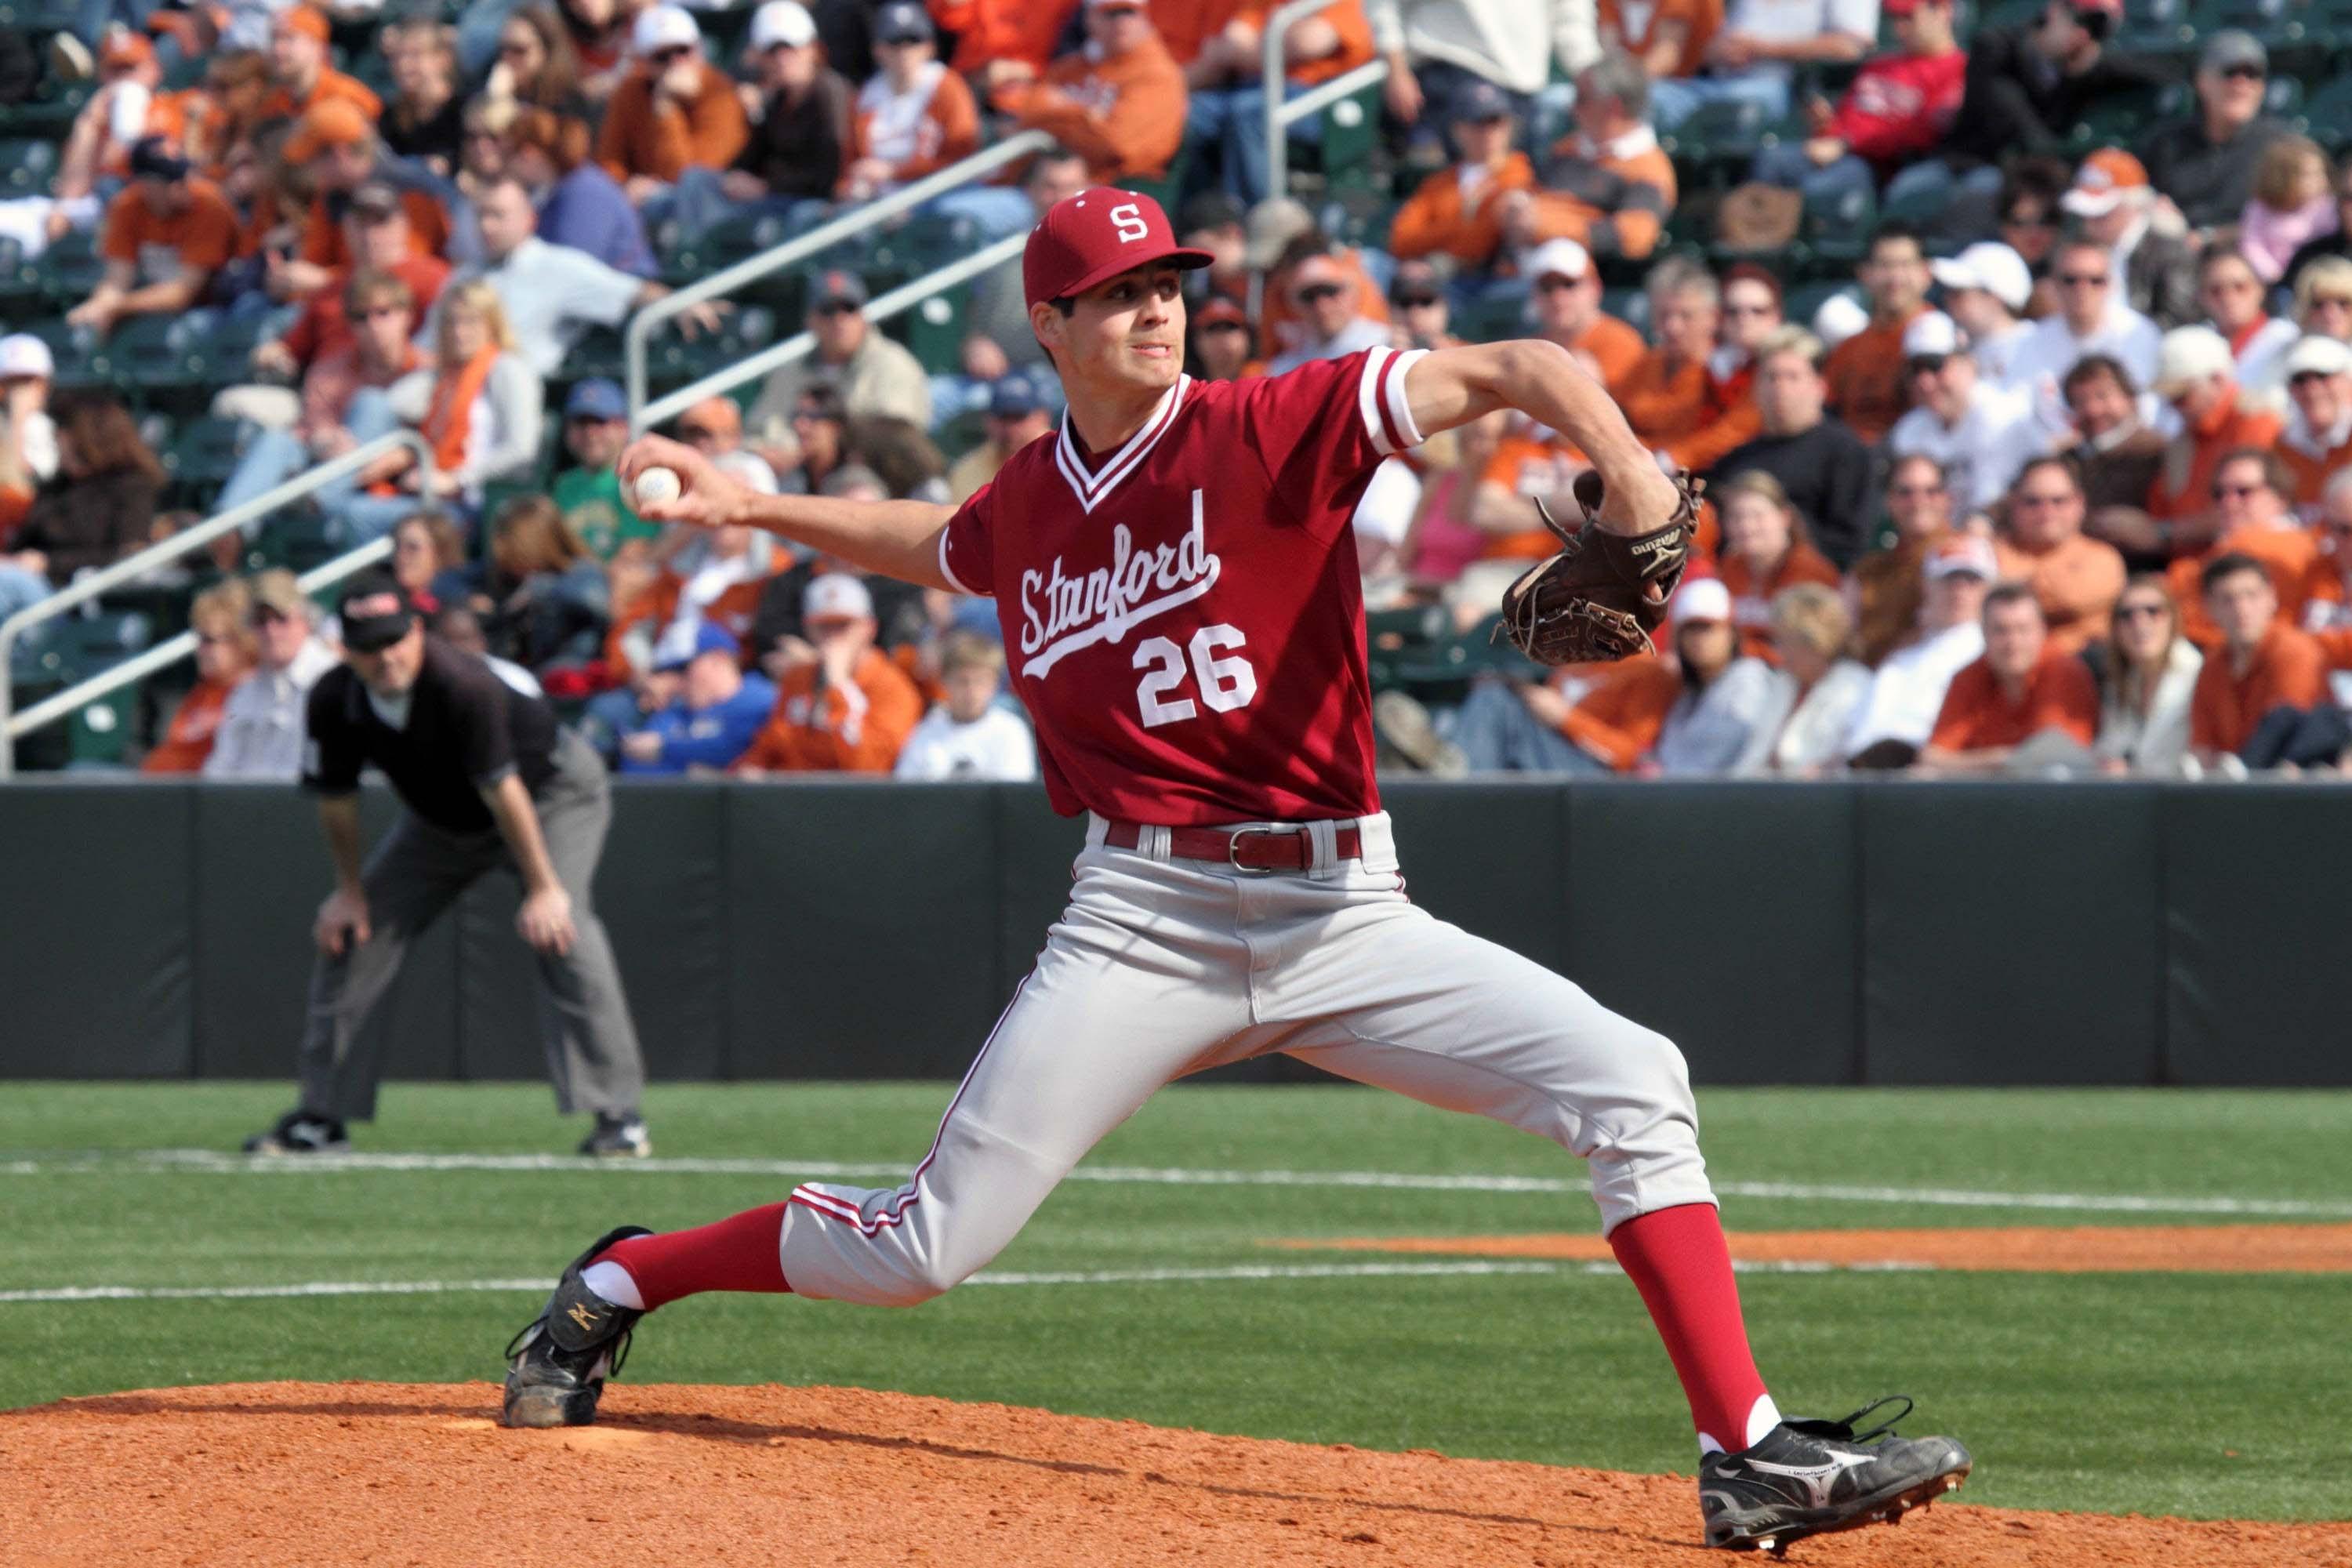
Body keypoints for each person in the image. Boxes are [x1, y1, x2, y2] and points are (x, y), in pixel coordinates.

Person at [504, 184, 1974, 1560]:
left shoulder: (1282, 420)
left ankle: (1749, 1452)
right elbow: (938, 544)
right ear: (1051, 328)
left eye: (1169, 285)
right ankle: (630, 1272)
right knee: (923, 1251)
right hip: (1144, 920)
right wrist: (748, 505)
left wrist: (1641, 482)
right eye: (1119, 291)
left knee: (1634, 1079)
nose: (1158, 310)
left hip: (1347, 910)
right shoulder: (1032, 502)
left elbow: (1523, 360)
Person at [245, 568, 652, 1159]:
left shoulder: (463, 684)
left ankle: (621, 1118)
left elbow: (505, 790)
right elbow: (337, 801)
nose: (385, 658)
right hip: (444, 820)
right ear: (344, 650)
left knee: (564, 929)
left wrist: (543, 888)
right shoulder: (334, 698)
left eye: (394, 639)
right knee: (353, 935)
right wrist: (349, 891)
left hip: (549, 795)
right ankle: (321, 1118)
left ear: (418, 631)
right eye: (368, 646)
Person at [332, 279, 545, 536]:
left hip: (470, 501)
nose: (459, 332)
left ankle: (326, 496)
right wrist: (394, 451)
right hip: (424, 489)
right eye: (451, 322)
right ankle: (330, 492)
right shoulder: (443, 375)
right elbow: (389, 403)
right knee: (370, 401)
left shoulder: (507, 369)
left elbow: (521, 449)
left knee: (354, 514)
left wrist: (456, 479)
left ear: (492, 323)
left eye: (471, 322)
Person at [213, 269, 430, 522]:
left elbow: (434, 439)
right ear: (350, 324)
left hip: (386, 484)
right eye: (361, 317)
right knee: (277, 441)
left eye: (383, 313)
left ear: (407, 316)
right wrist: (330, 442)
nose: (373, 325)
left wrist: (392, 458)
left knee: (373, 403)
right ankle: (227, 529)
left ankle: (314, 505)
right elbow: (315, 429)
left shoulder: (429, 370)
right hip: (328, 467)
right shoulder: (329, 371)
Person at [436, 176, 703, 378]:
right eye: (481, 215)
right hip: (454, 388)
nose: (487, 226)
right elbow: (428, 344)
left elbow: (632, 291)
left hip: (516, 393)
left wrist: (682, 305)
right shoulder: (463, 277)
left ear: (529, 218)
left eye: (498, 215)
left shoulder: (556, 266)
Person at [1748, 0, 1963, 216]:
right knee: (1771, 160)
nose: (1900, 27)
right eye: (1895, 18)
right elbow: (1842, 124)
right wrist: (1825, 125)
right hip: (1838, 153)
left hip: (1879, 166)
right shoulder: (1879, 66)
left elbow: (1923, 133)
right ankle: (1757, 242)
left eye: (1908, 17)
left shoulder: (1958, 69)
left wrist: (1846, 145)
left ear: (1943, 11)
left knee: (1823, 188)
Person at [1711, 329, 1872, 572]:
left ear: (1819, 387)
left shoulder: (1845, 453)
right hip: (1739, 583)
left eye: (1792, 377)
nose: (1780, 388)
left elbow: (1852, 543)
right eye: (1771, 377)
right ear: (1756, 388)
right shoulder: (1738, 460)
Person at [735, 572, 924, 774]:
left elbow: (869, 769)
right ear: (808, 629)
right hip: (794, 794)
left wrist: (839, 687)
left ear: (869, 628)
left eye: (843, 626)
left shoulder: (893, 687)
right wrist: (748, 770)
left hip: (852, 801)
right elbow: (772, 744)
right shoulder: (799, 678)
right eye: (824, 627)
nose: (833, 637)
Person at [1945, 0, 2154, 178]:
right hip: (1970, 166)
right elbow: (2025, 134)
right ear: (2055, 11)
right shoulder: (1997, 48)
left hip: (2033, 175)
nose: (2084, 34)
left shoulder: (2084, 68)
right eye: (2081, 21)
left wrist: (2092, 65)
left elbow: (2169, 75)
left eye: (2096, 29)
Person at [993, 0, 1185, 186]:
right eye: (1111, 13)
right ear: (1090, 17)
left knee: (972, 214)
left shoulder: (1156, 75)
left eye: (1130, 12)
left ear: (1145, 17)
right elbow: (1028, 114)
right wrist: (1087, 116)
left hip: (1110, 193)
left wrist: (1057, 116)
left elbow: (1116, 146)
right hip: (1035, 184)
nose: (1121, 22)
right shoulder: (1072, 67)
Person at [1843, 533, 1994, 766]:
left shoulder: (1990, 650)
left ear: (1989, 588)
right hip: (1864, 771)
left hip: (1928, 773)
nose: (1959, 589)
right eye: (1949, 579)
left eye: (1972, 580)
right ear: (1927, 585)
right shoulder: (1903, 657)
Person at [1916, 583, 2098, 773]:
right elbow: (1931, 758)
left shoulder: (2062, 670)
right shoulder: (1970, 675)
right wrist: (2001, 759)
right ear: (1983, 633)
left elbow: (2048, 760)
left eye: (2023, 629)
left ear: (2042, 631)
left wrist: (1977, 762)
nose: (2013, 642)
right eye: (2001, 630)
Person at [64, 138, 238, 336]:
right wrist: (97, 309)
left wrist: (114, 307)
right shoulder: (127, 207)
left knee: (187, 329)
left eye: (182, 177)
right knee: (90, 329)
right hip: (152, 301)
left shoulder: (209, 205)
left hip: (214, 306)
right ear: (144, 184)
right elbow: (117, 280)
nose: (181, 187)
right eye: (170, 181)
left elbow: (181, 295)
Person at [2, 396, 162, 605]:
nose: (56, 437)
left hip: (78, 596)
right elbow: (24, 542)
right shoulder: (55, 487)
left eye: (63, 429)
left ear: (85, 436)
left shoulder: (131, 486)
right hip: (30, 583)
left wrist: (49, 563)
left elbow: (128, 554)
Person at [1885, 311, 2048, 517]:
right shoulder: (1909, 431)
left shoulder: (2003, 417)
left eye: (1935, 366)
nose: (1925, 382)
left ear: (1968, 364)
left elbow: (1999, 503)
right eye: (1915, 370)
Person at [748, 269, 931, 444]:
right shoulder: (789, 370)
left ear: (863, 317)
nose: (839, 320)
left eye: (849, 309)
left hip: (876, 471)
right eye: (828, 310)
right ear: (809, 320)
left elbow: (896, 439)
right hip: (798, 471)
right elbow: (756, 432)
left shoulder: (893, 364)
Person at [1612, 258, 1759, 473]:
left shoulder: (1730, 372)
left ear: (1713, 318)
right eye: (1664, 315)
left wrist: (1672, 459)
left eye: (1686, 315)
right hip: (1636, 469)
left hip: (1699, 483)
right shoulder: (1644, 365)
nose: (1673, 326)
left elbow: (1734, 432)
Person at [2137, 31, 2291, 234]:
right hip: (2173, 253)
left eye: (2252, 74)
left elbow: (2293, 221)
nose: (2241, 84)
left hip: (2249, 255)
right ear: (2201, 80)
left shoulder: (2282, 147)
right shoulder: (2165, 143)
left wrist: (2210, 238)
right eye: (2230, 72)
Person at [2187, 550, 2328, 766]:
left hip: (2294, 783)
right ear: (2209, 607)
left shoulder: (2295, 651)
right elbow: (2203, 749)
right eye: (2227, 599)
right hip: (2236, 787)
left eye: (2252, 595)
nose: (2242, 609)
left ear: (2272, 598)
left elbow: (2287, 734)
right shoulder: (2212, 666)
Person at [596, 5, 750, 203]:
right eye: (662, 57)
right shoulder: (630, 91)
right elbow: (610, 159)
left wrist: (666, 106)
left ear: (699, 49)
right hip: (645, 200)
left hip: (709, 202)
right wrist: (625, 186)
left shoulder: (720, 94)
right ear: (645, 62)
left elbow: (689, 178)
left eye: (683, 51)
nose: (676, 62)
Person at [2140, 326, 2283, 539]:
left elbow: (2245, 513)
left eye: (2182, 396)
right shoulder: (2183, 439)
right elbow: (2164, 504)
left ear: (2218, 380)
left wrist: (2161, 533)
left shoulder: (2255, 422)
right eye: (2169, 398)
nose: (2175, 406)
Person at [1646, 0, 1875, 131]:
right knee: (1651, 97)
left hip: (1785, 90)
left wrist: (1762, 49)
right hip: (1712, 84)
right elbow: (1704, 47)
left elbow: (1851, 47)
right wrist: (1716, 51)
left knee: (1746, 108)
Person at [837, 2, 978, 204]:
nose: (904, 51)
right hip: (876, 199)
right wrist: (847, 189)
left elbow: (961, 160)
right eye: (895, 43)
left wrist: (894, 172)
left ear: (929, 47)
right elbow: (850, 165)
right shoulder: (865, 98)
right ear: (878, 50)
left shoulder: (946, 86)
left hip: (934, 195)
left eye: (913, 41)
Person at [205, 570, 339, 780]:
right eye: (261, 621)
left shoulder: (333, 681)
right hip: (247, 805)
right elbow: (219, 771)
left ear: (305, 619)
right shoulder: (244, 692)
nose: (271, 630)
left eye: (281, 618)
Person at [725, 1, 854, 212]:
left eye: (790, 48)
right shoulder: (777, 99)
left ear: (812, 49)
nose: (782, 59)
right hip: (780, 198)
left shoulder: (831, 92)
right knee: (701, 181)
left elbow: (828, 173)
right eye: (772, 51)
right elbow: (752, 158)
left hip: (817, 205)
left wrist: (767, 187)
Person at [1994, 457, 2126, 658]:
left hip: (2082, 668)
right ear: (2013, 503)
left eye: (2059, 501)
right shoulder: (1993, 551)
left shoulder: (2103, 557)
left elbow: (2070, 599)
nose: (2047, 512)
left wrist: (2013, 586)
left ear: (2079, 503)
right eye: (2033, 502)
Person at [1737, 583, 1871, 775]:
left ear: (1815, 641)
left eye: (1785, 641)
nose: (1779, 651)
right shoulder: (1783, 684)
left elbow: (1836, 763)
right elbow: (1752, 760)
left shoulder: (1855, 686)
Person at [1652, 576, 1782, 775]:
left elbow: (1716, 765)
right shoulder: (1689, 691)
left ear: (1731, 632)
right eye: (1691, 630)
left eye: (1708, 629)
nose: (1699, 639)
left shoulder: (1749, 681)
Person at [2056, 149, 2198, 332]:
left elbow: (2179, 318)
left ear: (2131, 205)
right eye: (2083, 215)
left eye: (2100, 214)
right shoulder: (2078, 251)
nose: (2088, 224)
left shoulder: (2169, 251)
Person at [507, 107, 657, 278]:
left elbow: (571, 269)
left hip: (630, 298)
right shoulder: (557, 188)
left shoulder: (585, 192)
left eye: (507, 156)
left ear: (528, 154)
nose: (505, 167)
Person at [615, 620, 778, 774]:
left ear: (718, 659)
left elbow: (732, 748)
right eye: (667, 673)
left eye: (682, 669)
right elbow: (638, 768)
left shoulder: (761, 699)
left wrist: (665, 750)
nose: (676, 681)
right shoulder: (674, 713)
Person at [2005, 237, 2162, 394]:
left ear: (2111, 285)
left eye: (2095, 280)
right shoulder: (2030, 342)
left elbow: (2145, 404)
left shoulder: (2138, 334)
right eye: (2071, 280)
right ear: (2054, 284)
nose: (2082, 290)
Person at [1712, 470, 1841, 659]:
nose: (1746, 526)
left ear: (1784, 517)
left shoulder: (1811, 572)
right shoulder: (1729, 567)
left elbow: (1810, 648)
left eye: (1757, 516)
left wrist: (1731, 650)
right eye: (1735, 516)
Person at [1822, 223, 1930, 445]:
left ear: (1926, 273)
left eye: (1906, 265)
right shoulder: (1849, 349)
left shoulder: (1941, 338)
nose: (1895, 278)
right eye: (1885, 265)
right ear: (1864, 274)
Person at [142, 580, 257, 774]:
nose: (200, 649)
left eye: (209, 640)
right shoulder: (206, 689)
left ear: (242, 640)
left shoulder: (253, 694)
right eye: (199, 638)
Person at [1851, 453, 1955, 666]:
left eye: (1931, 491)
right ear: (1890, 500)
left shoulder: (1964, 559)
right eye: (1905, 492)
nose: (1918, 502)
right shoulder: (1870, 569)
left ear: (1947, 498)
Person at [893, 631, 1039, 781]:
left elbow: (1014, 795)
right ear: (944, 681)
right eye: (963, 681)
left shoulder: (1011, 730)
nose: (972, 691)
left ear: (995, 684)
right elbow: (907, 792)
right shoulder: (926, 730)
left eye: (981, 681)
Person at [2093, 576, 2201, 775]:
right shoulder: (2120, 683)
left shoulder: (2199, 676)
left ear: (2173, 619)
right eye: (2127, 615)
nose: (2140, 622)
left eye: (2153, 611)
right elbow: (2108, 750)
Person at [550, 379, 654, 561]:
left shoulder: (638, 479)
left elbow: (635, 554)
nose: (590, 433)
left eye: (600, 422)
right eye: (581, 423)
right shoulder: (564, 485)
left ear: (623, 428)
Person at [1524, 238, 1644, 388]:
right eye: (1547, 288)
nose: (1558, 297)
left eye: (1569, 284)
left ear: (1595, 288)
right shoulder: (1531, 349)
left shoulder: (1621, 342)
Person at [1265, 250, 1390, 375]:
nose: (1321, 305)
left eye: (1330, 291)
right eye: (1309, 296)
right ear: (1293, 304)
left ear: (1353, 293)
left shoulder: (1385, 346)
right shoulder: (1285, 368)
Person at [2196, 247, 2299, 399]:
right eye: (2216, 290)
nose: (2228, 298)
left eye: (2240, 287)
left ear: (2260, 289)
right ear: (2202, 297)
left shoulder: (2286, 338)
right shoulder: (2196, 343)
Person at [1931, 242, 2037, 389]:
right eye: (1948, 292)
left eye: (1959, 293)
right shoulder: (1955, 347)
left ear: (1995, 298)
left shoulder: (2034, 346)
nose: (1948, 300)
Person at [2238, 136, 2336, 289]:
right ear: (2282, 177)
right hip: (2273, 282)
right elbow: (2251, 244)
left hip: (2317, 281)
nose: (2321, 180)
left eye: (2321, 173)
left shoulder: (2327, 208)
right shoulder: (2260, 208)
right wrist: (2272, 272)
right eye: (2309, 175)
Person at [948, 372, 1053, 503]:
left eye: (1018, 417)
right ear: (988, 421)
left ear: (1043, 417)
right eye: (1003, 417)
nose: (1010, 428)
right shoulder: (968, 469)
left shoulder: (1064, 457)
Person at [380, 18, 465, 176]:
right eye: (396, 56)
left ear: (442, 59)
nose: (403, 65)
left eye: (415, 55)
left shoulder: (465, 111)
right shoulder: (389, 117)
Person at [2276, 335, 2352, 509]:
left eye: (2323, 376)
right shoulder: (2282, 447)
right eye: (2300, 380)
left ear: (2348, 382)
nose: (2312, 388)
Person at [0, 334, 57, 538]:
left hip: (35, 533)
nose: (20, 390)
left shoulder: (56, 426)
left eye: (28, 380)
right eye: (11, 383)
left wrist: (19, 420)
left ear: (45, 385)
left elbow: (28, 485)